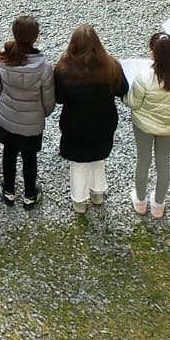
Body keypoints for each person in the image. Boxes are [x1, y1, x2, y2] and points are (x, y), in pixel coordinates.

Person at [52, 25, 127, 211]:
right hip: (104, 122)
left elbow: (59, 98)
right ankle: (98, 194)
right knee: (97, 158)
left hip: (75, 125)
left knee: (78, 163)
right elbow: (123, 90)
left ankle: (79, 202)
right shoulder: (111, 66)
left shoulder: (63, 69)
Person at [125, 32, 170, 218]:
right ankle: (158, 205)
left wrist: (125, 94)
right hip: (169, 127)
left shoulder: (144, 77)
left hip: (143, 126)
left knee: (143, 161)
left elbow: (133, 103)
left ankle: (140, 201)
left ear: (153, 54)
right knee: (163, 163)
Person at [0, 15, 53, 208]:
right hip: (32, 123)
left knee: (8, 154)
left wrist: (8, 101)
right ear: (36, 37)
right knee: (29, 157)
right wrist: (41, 114)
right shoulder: (44, 66)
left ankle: (8, 191)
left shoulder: (2, 58)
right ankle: (29, 195)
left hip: (8, 118)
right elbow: (49, 101)